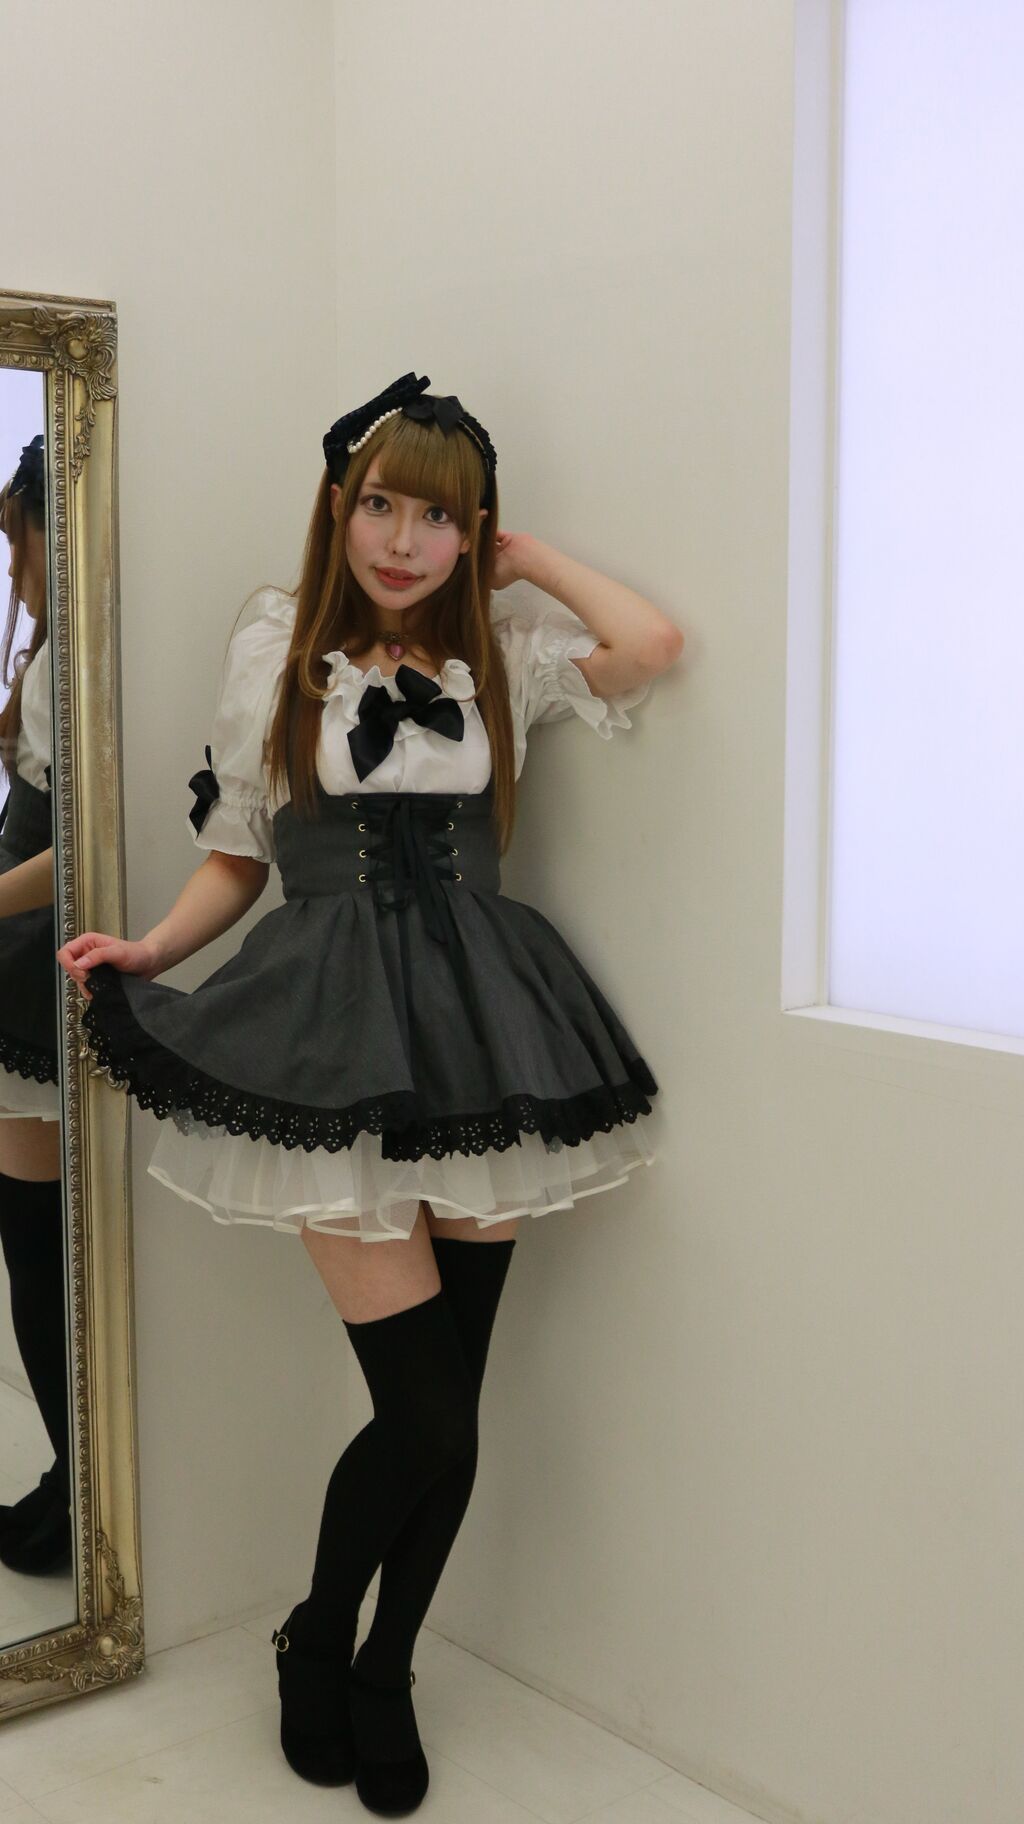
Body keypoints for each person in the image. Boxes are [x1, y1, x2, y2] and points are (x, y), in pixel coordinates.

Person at [56, 372, 683, 1816]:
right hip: (330, 1034)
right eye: (383, 505)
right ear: (338, 508)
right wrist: (151, 951)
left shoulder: (497, 655)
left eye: (441, 517)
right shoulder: (279, 649)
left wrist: (521, 560)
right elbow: (240, 850)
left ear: (474, 533)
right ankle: (314, 1633)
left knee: (453, 1406)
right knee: (430, 1416)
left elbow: (649, 645)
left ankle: (382, 1665)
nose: (406, 541)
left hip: (485, 1039)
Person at [0, 434, 72, 1576]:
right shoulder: (54, 653)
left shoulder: (72, 663)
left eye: (18, 548)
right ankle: (72, 1473)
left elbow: (83, 846)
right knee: (33, 1237)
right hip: (20, 935)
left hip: (31, 947)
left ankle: (76, 1479)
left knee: (39, 1243)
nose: (14, 573)